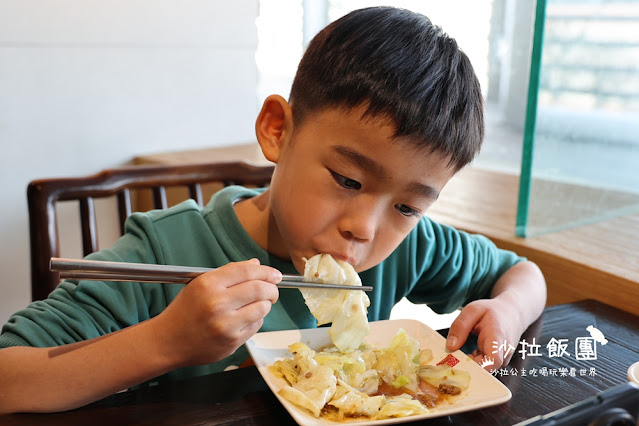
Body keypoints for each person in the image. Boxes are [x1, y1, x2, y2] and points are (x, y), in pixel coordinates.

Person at [0, 6, 546, 414]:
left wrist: (511, 312)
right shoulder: (168, 250)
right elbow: (8, 377)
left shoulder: (409, 247)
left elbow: (522, 274)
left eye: (406, 205)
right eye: (348, 179)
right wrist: (164, 342)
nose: (365, 227)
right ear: (277, 131)